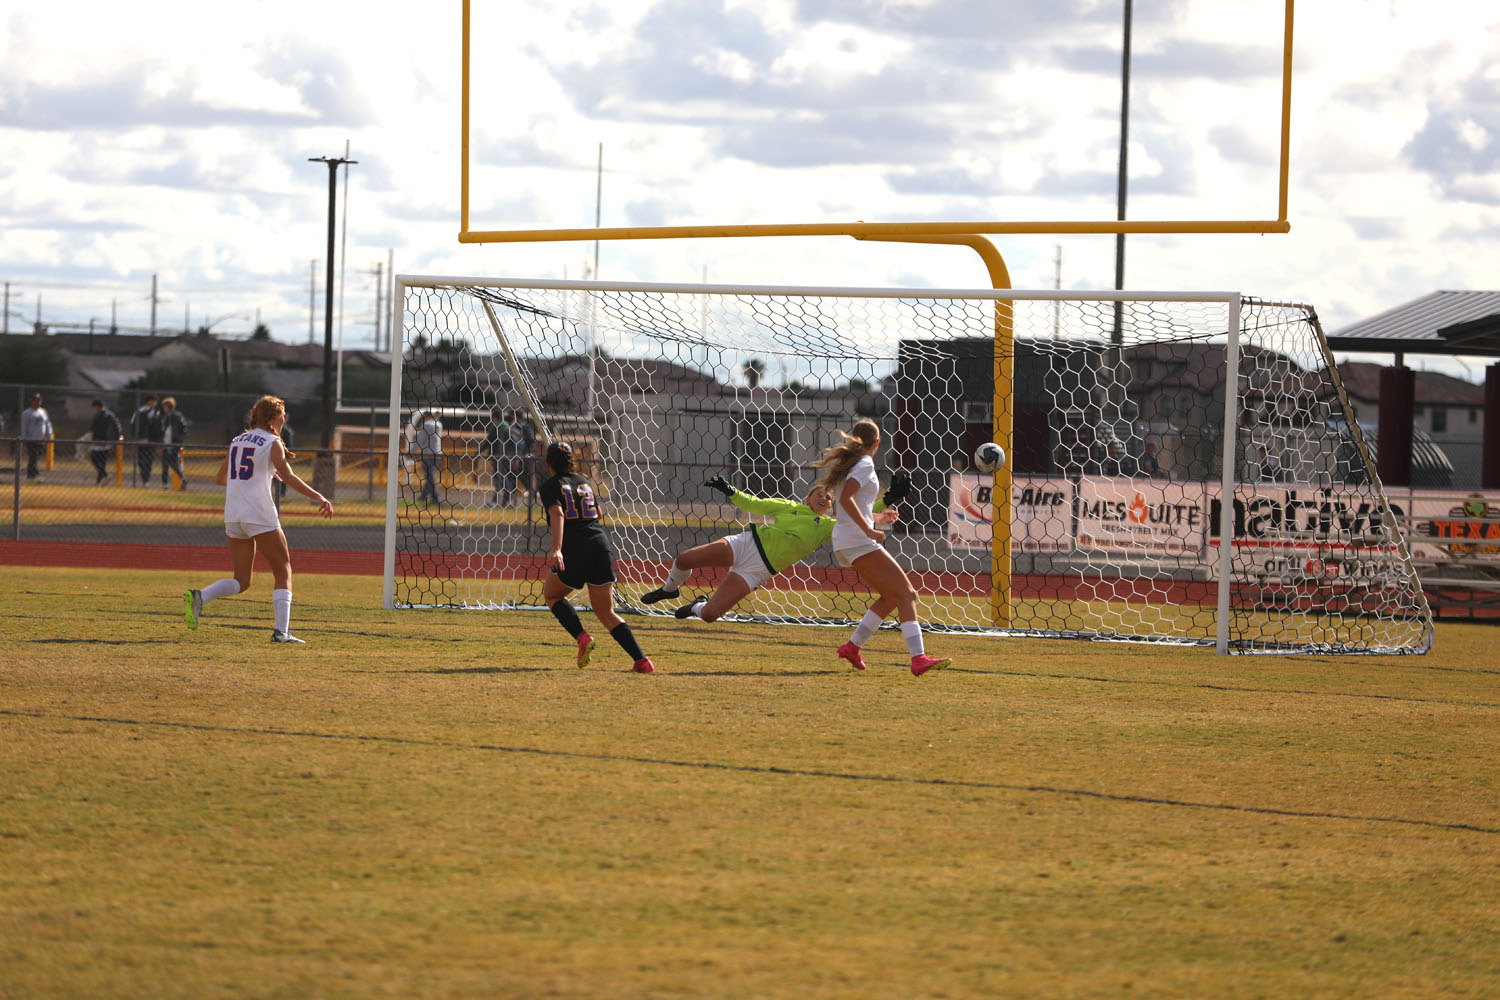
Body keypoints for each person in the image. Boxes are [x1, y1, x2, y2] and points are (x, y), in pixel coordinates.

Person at [642, 472, 908, 622]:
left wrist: (889, 499)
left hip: (758, 570)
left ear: (829, 507)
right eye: (819, 493)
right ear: (807, 497)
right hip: (746, 544)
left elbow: (858, 515)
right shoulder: (789, 507)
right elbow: (754, 504)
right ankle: (669, 590)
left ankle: (695, 606)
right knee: (685, 558)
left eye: (828, 498)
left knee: (710, 614)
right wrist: (730, 490)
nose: (823, 498)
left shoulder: (828, 526)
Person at [183, 395, 333, 643]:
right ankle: (281, 632)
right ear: (275, 419)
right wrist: (319, 497)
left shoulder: (238, 439)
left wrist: (262, 473)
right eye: (283, 415)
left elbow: (222, 479)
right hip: (258, 513)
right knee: (283, 569)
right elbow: (290, 477)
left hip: (234, 515)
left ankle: (200, 597)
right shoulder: (273, 441)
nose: (285, 419)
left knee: (241, 581)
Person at [816, 417, 950, 677]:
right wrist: (868, 529)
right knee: (907, 594)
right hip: (858, 540)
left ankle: (853, 647)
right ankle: (918, 658)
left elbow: (845, 505)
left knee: (891, 597)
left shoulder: (853, 463)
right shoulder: (865, 464)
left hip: (849, 540)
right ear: (877, 443)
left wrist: (877, 518)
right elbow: (845, 499)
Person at [539, 440, 654, 673]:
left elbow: (558, 514)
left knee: (552, 596)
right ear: (572, 461)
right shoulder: (584, 482)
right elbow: (597, 513)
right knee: (606, 612)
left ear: (548, 463)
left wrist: (557, 548)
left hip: (575, 548)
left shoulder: (550, 486)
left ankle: (582, 637)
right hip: (600, 545)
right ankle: (642, 661)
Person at [87, 399, 122, 485]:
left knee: (95, 458)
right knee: (101, 461)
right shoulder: (104, 415)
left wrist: (116, 438)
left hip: (103, 440)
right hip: (102, 440)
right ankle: (99, 480)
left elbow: (116, 426)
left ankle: (105, 475)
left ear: (97, 406)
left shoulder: (106, 415)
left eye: (95, 407)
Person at [159, 396, 190, 490]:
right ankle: (183, 478)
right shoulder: (179, 415)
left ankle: (165, 485)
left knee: (166, 464)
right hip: (177, 442)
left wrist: (163, 444)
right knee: (173, 463)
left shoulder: (168, 417)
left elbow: (166, 431)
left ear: (167, 406)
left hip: (169, 443)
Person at [482, 408, 511, 506]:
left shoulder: (495, 428)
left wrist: (478, 452)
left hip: (496, 456)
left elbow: (488, 442)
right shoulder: (507, 428)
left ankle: (498, 501)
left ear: (494, 418)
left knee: (500, 478)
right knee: (503, 477)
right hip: (506, 456)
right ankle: (505, 500)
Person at [19, 394, 53, 480]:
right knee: (33, 456)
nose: (38, 402)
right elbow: (24, 426)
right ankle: (31, 475)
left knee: (37, 456)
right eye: (36, 400)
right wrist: (24, 438)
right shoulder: (27, 413)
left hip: (41, 438)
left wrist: (49, 434)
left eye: (39, 400)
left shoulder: (43, 411)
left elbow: (47, 423)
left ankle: (34, 472)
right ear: (32, 401)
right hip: (31, 439)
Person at [131, 394, 163, 485]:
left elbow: (132, 423)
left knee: (144, 459)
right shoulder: (150, 411)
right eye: (153, 401)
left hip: (145, 438)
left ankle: (145, 478)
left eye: (155, 401)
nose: (154, 403)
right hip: (147, 438)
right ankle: (145, 479)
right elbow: (157, 426)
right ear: (149, 401)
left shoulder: (141, 411)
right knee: (146, 459)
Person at [413, 410, 443, 504]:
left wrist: (412, 451)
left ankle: (435, 497)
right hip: (437, 453)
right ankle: (424, 496)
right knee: (430, 475)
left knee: (430, 476)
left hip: (428, 453)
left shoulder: (426, 425)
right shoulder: (438, 424)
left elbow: (420, 440)